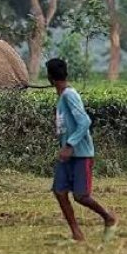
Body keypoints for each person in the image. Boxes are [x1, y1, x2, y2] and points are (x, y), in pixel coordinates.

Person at [47, 58, 118, 242]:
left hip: (80, 154)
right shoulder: (62, 96)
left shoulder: (70, 95)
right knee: (59, 191)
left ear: (50, 78)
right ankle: (77, 233)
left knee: (81, 196)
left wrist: (70, 145)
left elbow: (85, 121)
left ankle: (108, 218)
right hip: (67, 154)